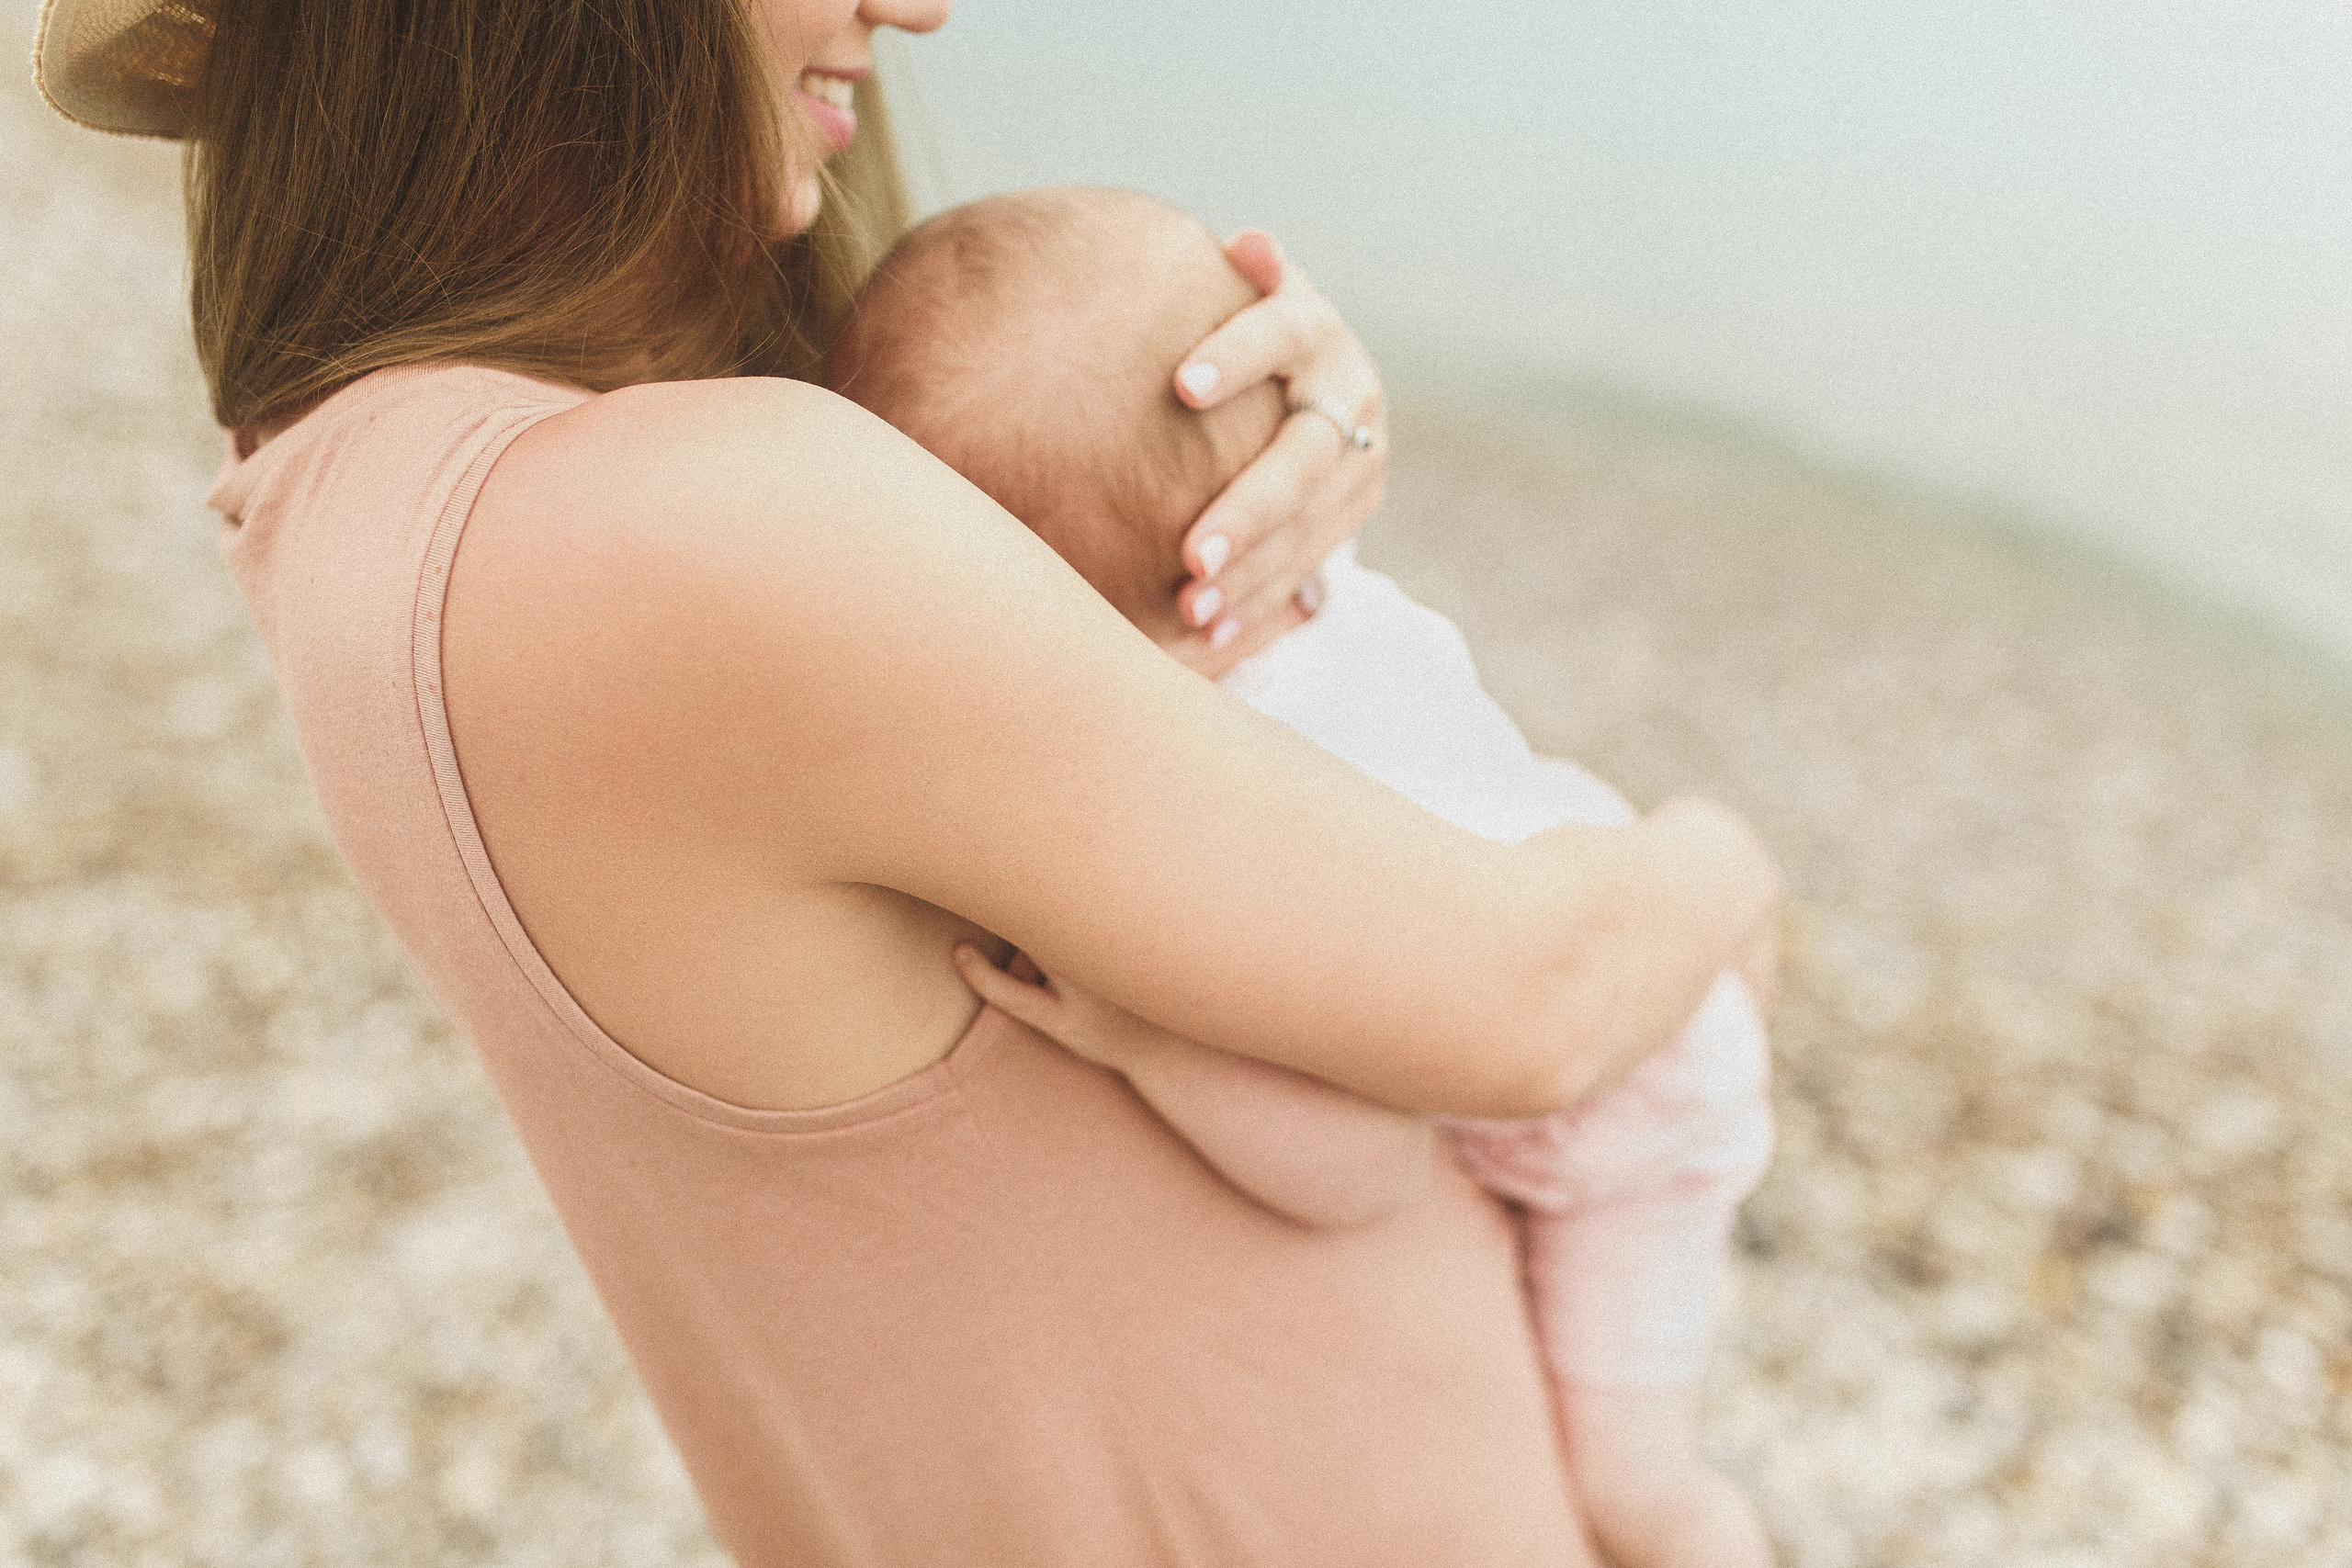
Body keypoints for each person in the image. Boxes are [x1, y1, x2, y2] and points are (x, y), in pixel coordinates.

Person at [36, 2, 1782, 1562]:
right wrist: (1719, 859)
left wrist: (1189, 425)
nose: (919, 8)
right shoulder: (693, 526)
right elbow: (1536, 1004)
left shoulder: (363, 492)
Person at [828, 186, 1777, 1568]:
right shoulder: (1324, 579)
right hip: (1617, 892)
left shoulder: (1234, 780)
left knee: (1643, 1496)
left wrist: (1151, 1040)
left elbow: (1362, 1170)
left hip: (1635, 1117)